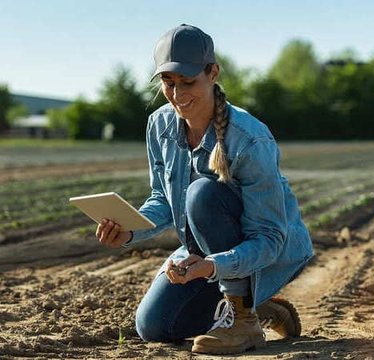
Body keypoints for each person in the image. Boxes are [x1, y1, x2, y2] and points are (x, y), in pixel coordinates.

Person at [95, 24, 314, 355]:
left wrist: (211, 266)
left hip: (268, 252)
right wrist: (129, 231)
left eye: (188, 82)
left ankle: (244, 318)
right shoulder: (159, 125)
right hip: (206, 251)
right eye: (168, 83)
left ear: (213, 72)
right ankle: (262, 308)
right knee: (154, 326)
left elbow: (269, 238)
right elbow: (163, 200)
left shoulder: (249, 140)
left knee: (202, 194)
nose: (177, 94)